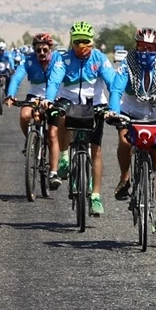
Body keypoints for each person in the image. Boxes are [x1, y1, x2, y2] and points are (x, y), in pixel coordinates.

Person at [108, 27, 156, 234]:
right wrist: (113, 111)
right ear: (136, 46)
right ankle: (125, 178)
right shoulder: (127, 63)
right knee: (124, 141)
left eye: (151, 48)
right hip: (130, 112)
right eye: (142, 47)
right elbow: (116, 90)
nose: (146, 52)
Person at [43, 20, 118, 217]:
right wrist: (49, 100)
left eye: (85, 42)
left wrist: (115, 108)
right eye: (77, 42)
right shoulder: (63, 59)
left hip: (95, 105)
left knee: (97, 151)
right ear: (72, 43)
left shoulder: (100, 59)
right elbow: (54, 81)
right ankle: (65, 156)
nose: (82, 46)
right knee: (58, 115)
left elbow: (113, 83)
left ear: (92, 42)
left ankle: (95, 196)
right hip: (69, 102)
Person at [5, 32, 59, 181]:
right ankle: (31, 140)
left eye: (45, 50)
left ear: (50, 49)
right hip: (34, 96)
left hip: (54, 97)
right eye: (38, 50)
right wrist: (10, 95)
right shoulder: (28, 61)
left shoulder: (57, 60)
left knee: (53, 134)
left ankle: (54, 173)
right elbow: (16, 78)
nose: (41, 53)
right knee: (24, 115)